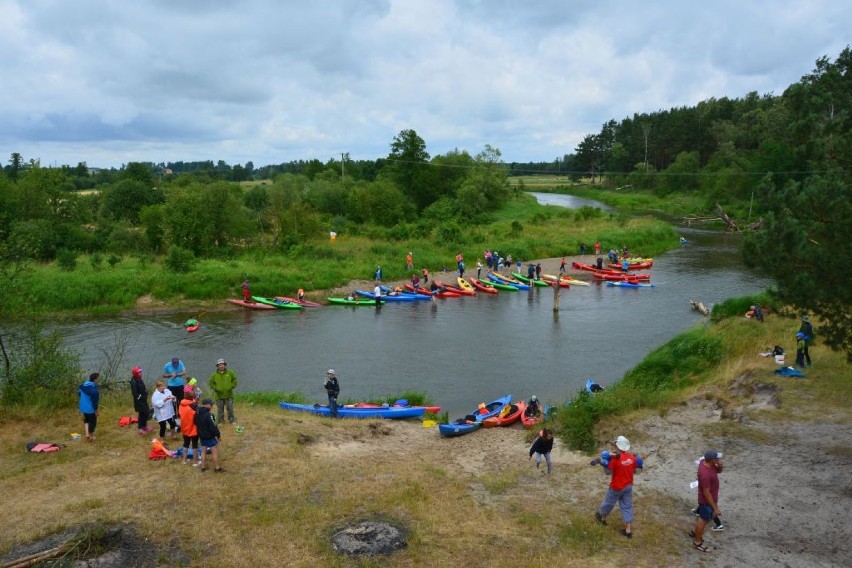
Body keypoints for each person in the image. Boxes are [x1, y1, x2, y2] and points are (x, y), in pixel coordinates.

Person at [595, 435, 643, 538]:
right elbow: (634, 470)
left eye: (615, 446)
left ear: (618, 447)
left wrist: (602, 463)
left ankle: (601, 518)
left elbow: (608, 472)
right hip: (628, 486)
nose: (614, 448)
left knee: (609, 502)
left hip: (617, 486)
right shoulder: (631, 458)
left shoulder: (615, 459)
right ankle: (628, 531)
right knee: (627, 506)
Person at [691, 450, 723, 553]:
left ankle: (695, 532)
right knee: (704, 519)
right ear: (712, 460)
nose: (718, 459)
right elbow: (706, 493)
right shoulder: (705, 474)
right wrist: (715, 508)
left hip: (711, 499)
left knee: (705, 518)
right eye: (716, 458)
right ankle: (697, 543)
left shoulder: (709, 463)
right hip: (706, 501)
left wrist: (720, 465)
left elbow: (718, 471)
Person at [195, 398, 223, 472]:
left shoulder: (197, 413)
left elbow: (195, 422)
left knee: (203, 450)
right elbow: (213, 427)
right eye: (211, 405)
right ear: (207, 405)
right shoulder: (209, 415)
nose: (212, 406)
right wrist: (218, 435)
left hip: (201, 435)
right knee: (214, 450)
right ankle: (217, 467)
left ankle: (203, 467)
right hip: (209, 436)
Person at [209, 358, 238, 424]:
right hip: (219, 396)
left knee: (230, 409)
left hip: (229, 395)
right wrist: (215, 388)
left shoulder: (230, 373)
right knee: (220, 410)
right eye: (219, 365)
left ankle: (231, 420)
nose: (221, 366)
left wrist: (231, 386)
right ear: (217, 366)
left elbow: (235, 380)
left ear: (225, 365)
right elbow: (211, 383)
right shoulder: (214, 375)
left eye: (222, 364)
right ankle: (221, 422)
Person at [179, 390, 202, 466]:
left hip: (185, 427)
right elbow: (198, 414)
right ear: (192, 397)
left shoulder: (181, 404)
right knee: (195, 445)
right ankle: (195, 462)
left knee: (186, 444)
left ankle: (184, 460)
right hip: (193, 428)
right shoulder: (194, 406)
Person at [78, 372, 100, 442]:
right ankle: (91, 436)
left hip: (83, 407)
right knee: (92, 422)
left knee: (86, 420)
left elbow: (79, 393)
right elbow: (95, 402)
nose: (99, 380)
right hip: (90, 409)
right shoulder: (94, 391)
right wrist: (96, 411)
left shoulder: (82, 386)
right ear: (95, 379)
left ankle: (87, 434)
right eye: (98, 378)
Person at [130, 366, 152, 435]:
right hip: (139, 401)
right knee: (143, 413)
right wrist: (141, 397)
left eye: (141, 372)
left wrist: (145, 392)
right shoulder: (133, 381)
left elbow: (142, 388)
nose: (141, 373)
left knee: (145, 413)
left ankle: (144, 426)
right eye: (139, 372)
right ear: (136, 373)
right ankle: (140, 428)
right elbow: (135, 393)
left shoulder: (139, 379)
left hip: (143, 399)